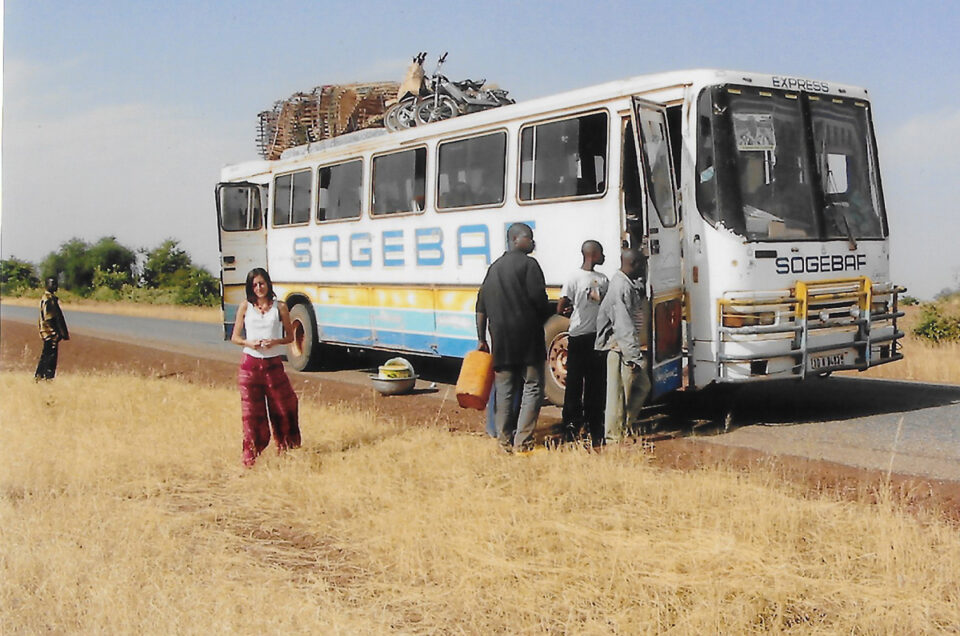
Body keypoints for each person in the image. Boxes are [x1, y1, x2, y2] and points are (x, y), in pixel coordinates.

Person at [476, 223, 551, 453]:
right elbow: (539, 299)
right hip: (528, 340)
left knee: (505, 392)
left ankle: (503, 442)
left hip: (501, 342)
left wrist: (482, 339)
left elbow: (480, 308)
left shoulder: (493, 269)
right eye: (529, 238)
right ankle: (523, 441)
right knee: (533, 388)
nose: (532, 242)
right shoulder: (529, 265)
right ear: (516, 239)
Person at [230, 267, 301, 467]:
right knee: (252, 414)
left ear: (268, 284)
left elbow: (290, 336)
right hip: (250, 365)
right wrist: (248, 343)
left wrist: (275, 341)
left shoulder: (280, 307)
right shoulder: (245, 306)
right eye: (254, 285)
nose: (259, 288)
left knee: (285, 406)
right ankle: (251, 456)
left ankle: (286, 448)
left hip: (273, 364)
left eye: (262, 283)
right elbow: (234, 337)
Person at [595, 248, 651, 445]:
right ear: (634, 265)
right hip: (619, 349)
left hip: (626, 347)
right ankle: (613, 437)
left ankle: (625, 426)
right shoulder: (620, 287)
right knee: (618, 396)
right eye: (642, 265)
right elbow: (623, 325)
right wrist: (633, 357)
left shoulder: (627, 284)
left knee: (641, 387)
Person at [557, 240, 608, 446]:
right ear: (593, 254)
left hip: (593, 337)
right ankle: (573, 424)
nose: (604, 257)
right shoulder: (575, 277)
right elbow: (562, 305)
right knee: (579, 384)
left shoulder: (603, 279)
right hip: (580, 337)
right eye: (601, 253)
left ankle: (590, 425)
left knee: (590, 385)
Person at [34, 277, 69, 381]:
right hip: (49, 333)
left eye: (56, 284)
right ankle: (47, 378)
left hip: (48, 333)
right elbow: (49, 318)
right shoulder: (48, 299)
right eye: (52, 284)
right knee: (50, 357)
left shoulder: (50, 298)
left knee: (46, 356)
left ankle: (39, 377)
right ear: (47, 285)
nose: (55, 286)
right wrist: (56, 333)